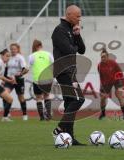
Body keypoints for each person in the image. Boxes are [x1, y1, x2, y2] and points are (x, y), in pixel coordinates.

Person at [51, 5, 86, 145]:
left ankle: (69, 137)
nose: (80, 19)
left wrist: (78, 35)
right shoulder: (59, 30)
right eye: (77, 16)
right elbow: (70, 51)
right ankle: (59, 129)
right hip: (64, 71)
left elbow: (82, 50)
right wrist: (75, 47)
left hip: (70, 71)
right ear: (69, 15)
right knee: (79, 99)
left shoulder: (71, 30)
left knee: (69, 102)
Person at [98, 48, 124, 120]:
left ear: (107, 57)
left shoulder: (113, 63)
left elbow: (120, 72)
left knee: (119, 96)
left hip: (117, 80)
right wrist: (102, 87)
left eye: (104, 57)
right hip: (106, 82)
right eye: (101, 57)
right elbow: (101, 77)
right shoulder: (99, 65)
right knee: (103, 98)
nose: (103, 58)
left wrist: (123, 82)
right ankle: (103, 113)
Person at [28, 39, 53, 121]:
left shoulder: (32, 56)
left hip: (37, 79)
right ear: (41, 46)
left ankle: (42, 117)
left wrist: (22, 72)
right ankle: (48, 116)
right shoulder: (48, 54)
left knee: (39, 98)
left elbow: (28, 67)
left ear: (34, 47)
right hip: (48, 78)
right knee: (47, 95)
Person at [3, 43, 29, 121]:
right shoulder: (8, 57)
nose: (13, 50)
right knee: (5, 94)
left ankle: (24, 115)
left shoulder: (20, 58)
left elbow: (25, 69)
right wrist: (3, 79)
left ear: (17, 49)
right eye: (11, 49)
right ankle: (6, 114)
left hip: (18, 80)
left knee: (21, 98)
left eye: (14, 49)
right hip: (9, 79)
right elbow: (6, 69)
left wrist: (19, 74)